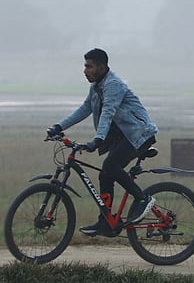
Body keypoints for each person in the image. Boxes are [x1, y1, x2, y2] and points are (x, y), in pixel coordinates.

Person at [46, 48, 159, 237]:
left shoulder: (113, 84)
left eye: (88, 66)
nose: (85, 71)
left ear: (101, 66)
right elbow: (84, 109)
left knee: (110, 165)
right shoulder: (96, 87)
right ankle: (106, 222)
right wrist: (59, 127)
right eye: (85, 66)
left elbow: (108, 112)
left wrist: (97, 140)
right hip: (123, 136)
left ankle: (142, 199)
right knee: (105, 175)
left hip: (138, 134)